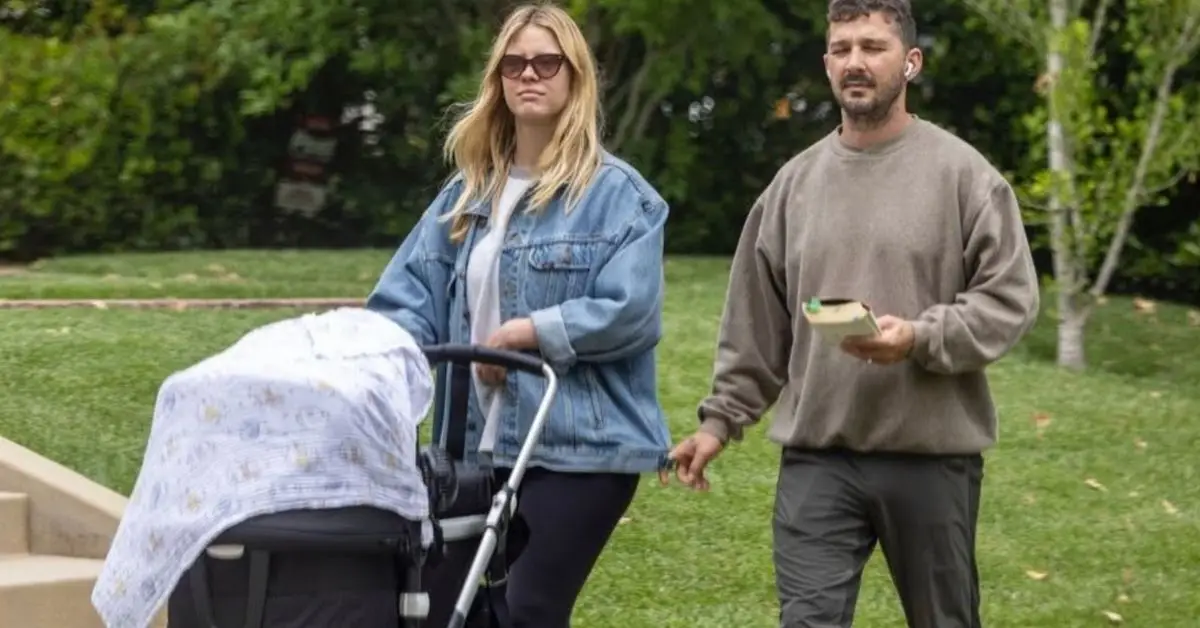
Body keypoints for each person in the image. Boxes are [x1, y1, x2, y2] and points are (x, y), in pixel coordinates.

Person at [660, 1, 1040, 627]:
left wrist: (919, 336)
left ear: (911, 62)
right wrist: (718, 423)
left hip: (930, 456)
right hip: (817, 457)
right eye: (842, 49)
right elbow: (756, 325)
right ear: (827, 64)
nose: (855, 62)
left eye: (873, 46)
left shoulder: (964, 177)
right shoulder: (793, 186)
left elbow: (1010, 299)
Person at [366, 2, 673, 626]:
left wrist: (531, 333)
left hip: (578, 449)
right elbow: (407, 298)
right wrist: (366, 354)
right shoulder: (466, 194)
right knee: (456, 610)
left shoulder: (621, 199)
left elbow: (630, 310)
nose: (528, 75)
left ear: (574, 77)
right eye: (514, 64)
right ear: (498, 80)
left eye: (546, 62)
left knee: (527, 609)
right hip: (473, 450)